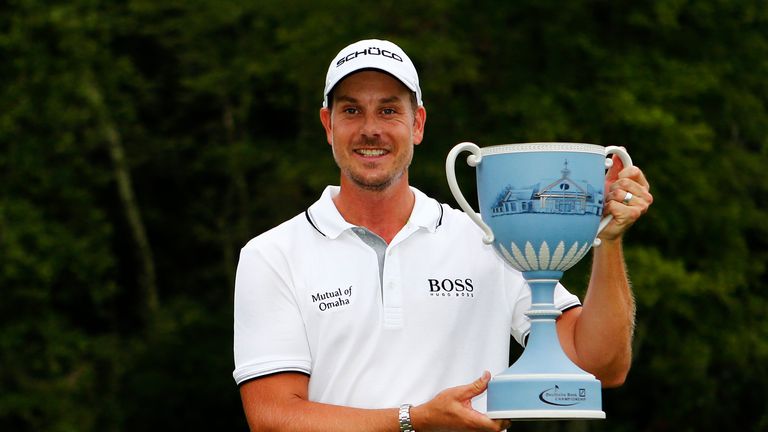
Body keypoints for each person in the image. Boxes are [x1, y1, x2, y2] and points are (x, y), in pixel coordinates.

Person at [233, 39, 653, 432]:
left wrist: (609, 241)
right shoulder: (272, 254)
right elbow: (273, 416)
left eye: (388, 110)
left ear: (418, 123)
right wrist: (412, 420)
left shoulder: (486, 239)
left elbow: (600, 364)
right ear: (328, 125)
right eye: (351, 111)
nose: (370, 129)